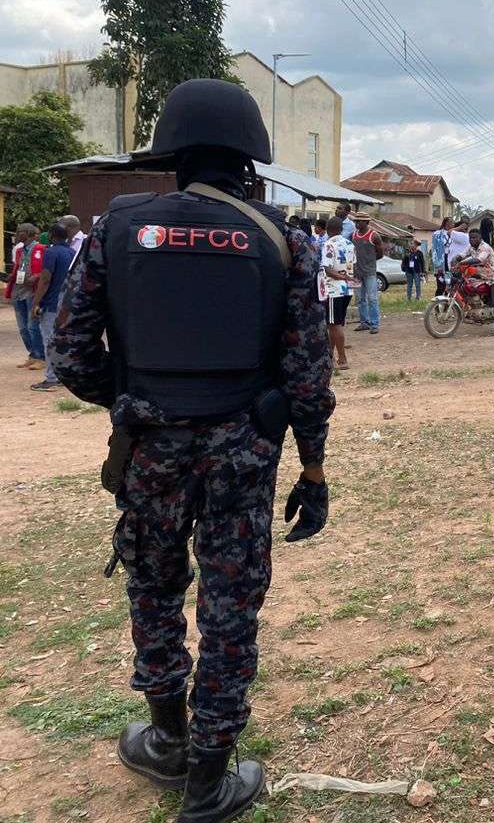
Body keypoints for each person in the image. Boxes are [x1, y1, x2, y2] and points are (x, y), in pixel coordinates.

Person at [47, 78, 335, 823]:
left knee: (154, 587)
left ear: (173, 154)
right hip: (244, 450)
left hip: (149, 449)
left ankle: (169, 739)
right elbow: (307, 373)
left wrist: (139, 397)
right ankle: (209, 779)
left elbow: (72, 356)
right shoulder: (283, 240)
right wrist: (314, 464)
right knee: (232, 608)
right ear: (251, 159)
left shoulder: (116, 227)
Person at [29, 223, 76, 390]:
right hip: (68, 303)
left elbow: (45, 279)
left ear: (51, 235)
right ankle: (65, 377)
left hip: (51, 303)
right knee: (65, 340)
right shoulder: (72, 252)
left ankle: (51, 378)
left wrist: (35, 302)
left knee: (49, 341)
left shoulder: (51, 252)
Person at [4, 223, 45, 369]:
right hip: (18, 291)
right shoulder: (19, 250)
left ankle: (41, 356)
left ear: (27, 233)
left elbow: (48, 270)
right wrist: (11, 277)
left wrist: (37, 276)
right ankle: (33, 354)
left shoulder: (41, 249)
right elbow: (18, 268)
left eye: (19, 231)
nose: (16, 234)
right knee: (23, 328)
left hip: (32, 292)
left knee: (33, 326)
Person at [321, 215, 355, 370]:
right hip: (347, 288)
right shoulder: (349, 244)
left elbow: (327, 269)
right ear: (341, 229)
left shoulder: (328, 244)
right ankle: (330, 357)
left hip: (334, 289)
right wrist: (345, 277)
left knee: (335, 324)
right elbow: (352, 265)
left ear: (328, 230)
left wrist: (339, 276)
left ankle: (342, 359)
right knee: (334, 324)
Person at [459, 228, 494, 334]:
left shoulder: (485, 247)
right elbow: (462, 254)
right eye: (470, 238)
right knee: (467, 285)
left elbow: (479, 259)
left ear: (480, 238)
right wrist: (456, 259)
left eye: (474, 238)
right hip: (484, 275)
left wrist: (464, 263)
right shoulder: (471, 247)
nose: (472, 240)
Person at [350, 213, 384, 334]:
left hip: (369, 272)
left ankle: (374, 324)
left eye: (359, 221)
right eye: (356, 221)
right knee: (360, 299)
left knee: (372, 298)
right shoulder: (353, 235)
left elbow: (380, 253)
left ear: (366, 222)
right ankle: (364, 322)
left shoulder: (374, 236)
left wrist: (370, 262)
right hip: (356, 273)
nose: (356, 223)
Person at [431, 218, 453, 296]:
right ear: (446, 223)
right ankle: (437, 303)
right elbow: (434, 249)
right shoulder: (437, 234)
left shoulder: (454, 234)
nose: (452, 224)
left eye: (453, 222)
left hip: (450, 261)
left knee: (449, 284)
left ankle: (447, 304)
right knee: (441, 285)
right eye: (451, 222)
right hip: (441, 261)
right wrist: (437, 264)